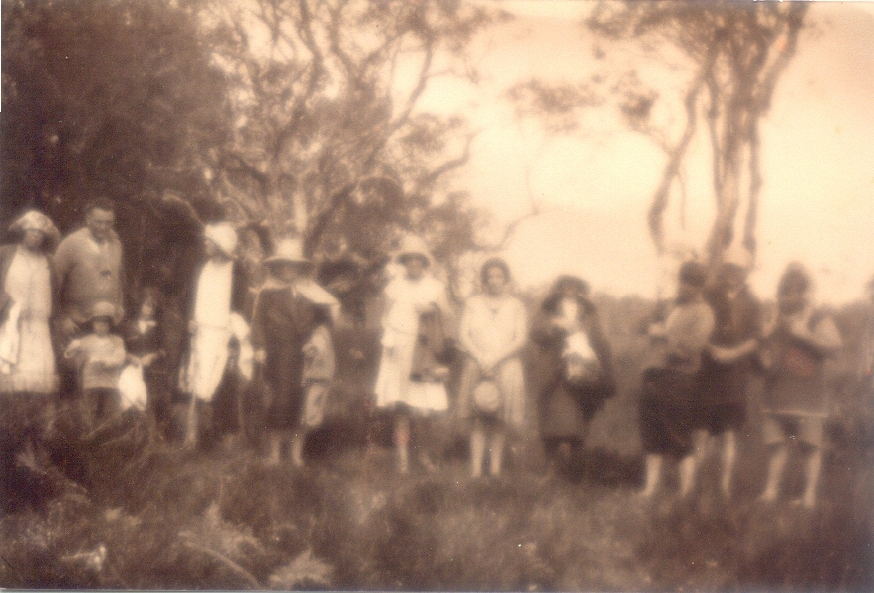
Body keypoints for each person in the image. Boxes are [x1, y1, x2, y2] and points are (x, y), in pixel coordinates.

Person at [758, 263, 842, 508]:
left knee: (809, 446)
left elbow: (836, 347)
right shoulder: (773, 317)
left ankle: (808, 496)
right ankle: (771, 491)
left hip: (807, 399)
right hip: (777, 397)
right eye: (783, 291)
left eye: (792, 291)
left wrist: (806, 335)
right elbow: (763, 346)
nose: (785, 296)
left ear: (804, 294)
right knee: (778, 445)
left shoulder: (817, 318)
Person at [374, 235, 452, 474]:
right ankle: (402, 459)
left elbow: (449, 315)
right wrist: (388, 335)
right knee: (402, 407)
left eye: (419, 260)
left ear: (425, 263)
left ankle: (424, 456)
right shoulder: (394, 286)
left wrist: (434, 307)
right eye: (409, 260)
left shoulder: (435, 287)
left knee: (425, 409)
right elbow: (384, 317)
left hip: (424, 351)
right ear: (404, 262)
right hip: (398, 349)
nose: (414, 264)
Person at [638, 261, 715, 499]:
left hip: (679, 378)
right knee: (651, 435)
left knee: (679, 435)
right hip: (653, 376)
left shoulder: (704, 312)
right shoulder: (672, 307)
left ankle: (686, 492)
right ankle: (650, 489)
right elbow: (642, 329)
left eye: (690, 283)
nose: (683, 286)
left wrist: (663, 336)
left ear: (699, 287)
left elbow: (693, 348)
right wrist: (652, 320)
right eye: (682, 280)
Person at [691, 245, 763, 497]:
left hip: (735, 374)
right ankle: (693, 486)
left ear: (746, 272)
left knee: (729, 433)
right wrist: (711, 349)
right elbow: (697, 325)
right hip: (708, 371)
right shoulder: (710, 294)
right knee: (702, 432)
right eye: (730, 268)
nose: (734, 273)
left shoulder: (753, 302)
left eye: (739, 269)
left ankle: (724, 488)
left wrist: (733, 354)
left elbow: (756, 339)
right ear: (725, 269)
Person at [251, 238, 329, 466]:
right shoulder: (268, 293)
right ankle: (275, 453)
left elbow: (323, 322)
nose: (287, 270)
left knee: (302, 403)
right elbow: (258, 323)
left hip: (305, 354)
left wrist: (316, 341)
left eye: (292, 266)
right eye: (283, 265)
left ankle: (297, 453)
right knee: (278, 401)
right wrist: (259, 347)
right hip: (278, 354)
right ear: (276, 267)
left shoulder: (311, 293)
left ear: (300, 268)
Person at [529, 275, 615, 474]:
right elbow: (535, 332)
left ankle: (575, 468)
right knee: (552, 421)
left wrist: (603, 367)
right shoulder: (547, 310)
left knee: (578, 419)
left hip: (581, 372)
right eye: (565, 287)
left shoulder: (589, 313)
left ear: (580, 291)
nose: (569, 291)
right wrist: (554, 328)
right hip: (553, 371)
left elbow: (600, 340)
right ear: (557, 290)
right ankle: (551, 468)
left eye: (574, 288)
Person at [180, 222, 252, 450]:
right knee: (196, 380)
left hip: (224, 333)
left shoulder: (236, 272)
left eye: (210, 241)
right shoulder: (202, 268)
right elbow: (192, 299)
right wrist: (190, 319)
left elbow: (239, 308)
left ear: (222, 245)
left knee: (223, 382)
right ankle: (192, 436)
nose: (206, 244)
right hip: (201, 331)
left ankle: (224, 436)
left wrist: (234, 337)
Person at [0, 210, 61, 469]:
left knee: (40, 389)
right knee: (11, 387)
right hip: (11, 327)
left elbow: (56, 295)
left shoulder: (49, 261)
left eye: (39, 233)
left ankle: (37, 449)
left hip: (40, 329)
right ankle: (11, 447)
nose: (34, 236)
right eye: (30, 231)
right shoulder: (6, 255)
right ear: (22, 232)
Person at [457, 258, 528, 478]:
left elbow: (520, 338)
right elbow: (463, 334)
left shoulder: (516, 305)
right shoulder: (473, 303)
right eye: (490, 276)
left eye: (499, 276)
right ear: (484, 280)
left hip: (506, 366)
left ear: (506, 279)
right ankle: (476, 471)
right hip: (477, 365)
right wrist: (480, 357)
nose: (494, 281)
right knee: (479, 417)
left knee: (499, 419)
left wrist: (496, 358)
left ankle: (495, 470)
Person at [54, 198, 125, 341]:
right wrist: (61, 318)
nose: (103, 227)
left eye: (108, 222)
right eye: (99, 222)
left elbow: (119, 280)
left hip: (107, 323)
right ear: (88, 219)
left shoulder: (116, 245)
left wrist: (120, 306)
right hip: (76, 324)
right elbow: (53, 284)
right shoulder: (71, 243)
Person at [64, 301, 128, 429]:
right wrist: (71, 349)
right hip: (91, 383)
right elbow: (70, 357)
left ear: (110, 325)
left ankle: (109, 437)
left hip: (110, 383)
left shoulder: (117, 341)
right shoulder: (86, 341)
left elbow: (120, 358)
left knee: (110, 413)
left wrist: (103, 361)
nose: (100, 326)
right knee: (89, 413)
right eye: (97, 322)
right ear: (92, 324)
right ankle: (90, 437)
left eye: (104, 323)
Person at [124, 288, 168, 441]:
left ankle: (156, 433)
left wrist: (153, 356)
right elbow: (119, 348)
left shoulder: (157, 328)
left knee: (155, 397)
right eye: (146, 305)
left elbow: (164, 350)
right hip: (133, 368)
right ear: (139, 306)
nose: (148, 309)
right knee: (132, 397)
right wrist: (130, 357)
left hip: (153, 369)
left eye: (152, 307)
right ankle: (133, 432)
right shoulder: (128, 326)